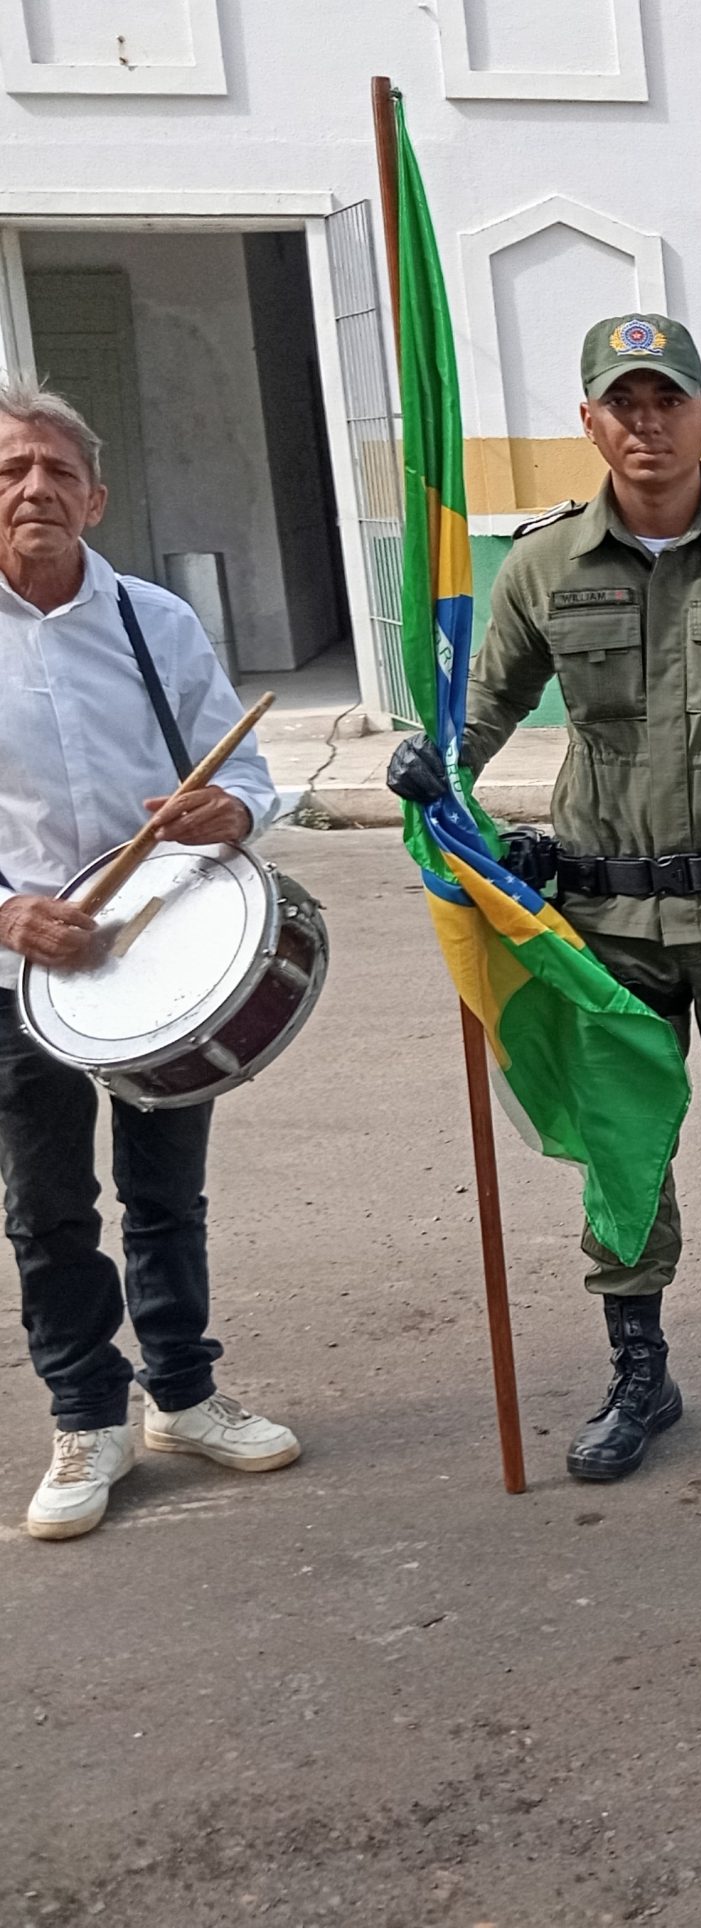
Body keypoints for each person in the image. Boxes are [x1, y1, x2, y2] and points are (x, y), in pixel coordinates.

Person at [386, 313, 701, 1482]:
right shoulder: (542, 566)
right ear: (588, 422)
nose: (646, 423)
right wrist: (438, 769)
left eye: (666, 399)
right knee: (622, 1151)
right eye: (622, 403)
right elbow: (481, 710)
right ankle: (640, 1374)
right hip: (603, 926)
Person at [0, 378, 300, 1542]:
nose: (34, 488)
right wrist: (8, 915)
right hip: (22, 970)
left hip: (163, 954)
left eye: (57, 471)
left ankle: (181, 1392)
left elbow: (250, 776)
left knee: (166, 1191)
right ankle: (88, 1415)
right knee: (48, 1207)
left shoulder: (155, 621)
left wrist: (231, 811)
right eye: (11, 470)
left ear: (95, 498)